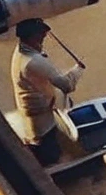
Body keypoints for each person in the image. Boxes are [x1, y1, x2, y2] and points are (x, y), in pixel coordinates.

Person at [11, 18, 83, 165]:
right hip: (40, 118)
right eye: (40, 35)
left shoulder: (20, 52)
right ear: (32, 37)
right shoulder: (33, 61)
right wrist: (78, 70)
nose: (43, 37)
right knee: (48, 154)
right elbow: (66, 85)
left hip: (38, 111)